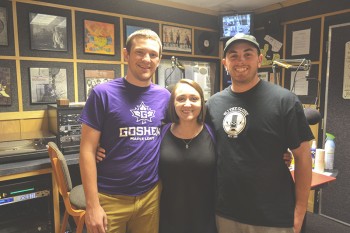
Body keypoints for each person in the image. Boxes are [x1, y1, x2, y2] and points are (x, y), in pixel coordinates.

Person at [206, 33, 313, 233]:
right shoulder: (212, 104)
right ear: (224, 63)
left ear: (260, 60)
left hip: (273, 216)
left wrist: (300, 210)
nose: (241, 61)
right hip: (226, 213)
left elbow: (303, 156)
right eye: (233, 55)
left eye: (248, 54)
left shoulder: (285, 101)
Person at [79, 29, 170, 233]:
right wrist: (93, 205)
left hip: (150, 196)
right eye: (140, 52)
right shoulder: (102, 94)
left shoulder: (165, 97)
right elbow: (86, 150)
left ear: (159, 59)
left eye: (153, 54)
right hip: (109, 198)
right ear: (126, 54)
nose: (147, 59)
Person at [158, 79, 217, 233]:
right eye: (181, 98)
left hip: (206, 220)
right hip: (168, 219)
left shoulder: (214, 133)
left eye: (194, 98)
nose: (187, 104)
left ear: (202, 103)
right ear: (173, 103)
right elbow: (138, 149)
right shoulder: (161, 133)